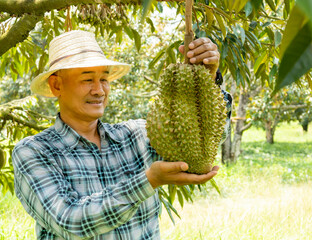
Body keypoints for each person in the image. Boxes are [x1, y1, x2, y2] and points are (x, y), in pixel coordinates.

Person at [12, 30, 226, 239]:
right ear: (57, 85)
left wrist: (206, 78)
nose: (99, 90)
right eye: (87, 80)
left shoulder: (137, 135)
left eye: (104, 79)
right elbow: (70, 221)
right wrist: (149, 180)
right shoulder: (34, 151)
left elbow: (201, 141)